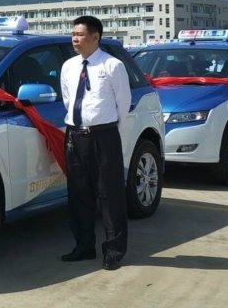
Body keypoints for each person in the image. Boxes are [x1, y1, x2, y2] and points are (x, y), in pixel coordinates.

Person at [59, 16, 131, 271]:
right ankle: (84, 246)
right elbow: (68, 99)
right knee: (79, 193)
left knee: (109, 194)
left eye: (80, 35)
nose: (75, 39)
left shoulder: (112, 66)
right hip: (75, 135)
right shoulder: (68, 66)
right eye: (73, 34)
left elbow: (123, 103)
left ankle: (114, 250)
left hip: (104, 135)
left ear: (95, 37)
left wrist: (109, 131)